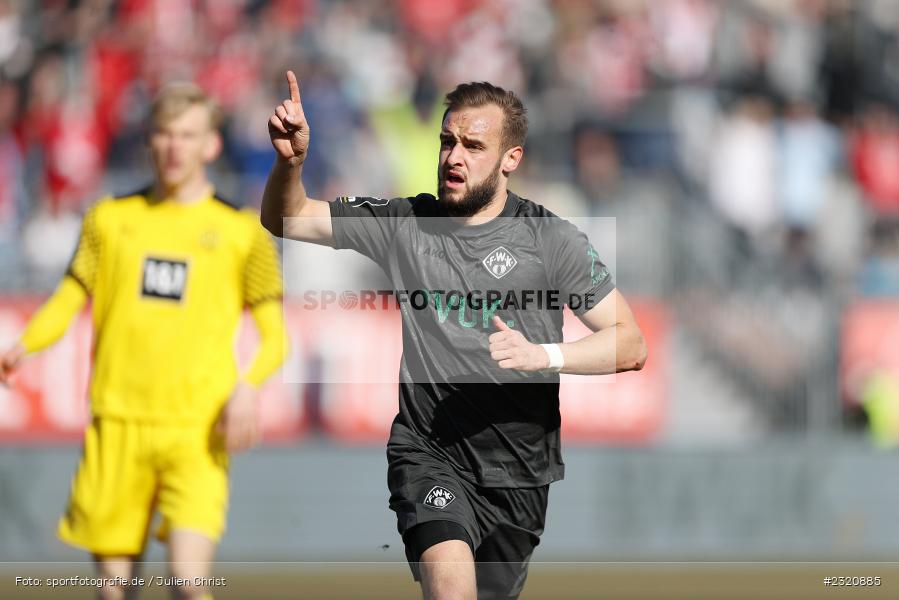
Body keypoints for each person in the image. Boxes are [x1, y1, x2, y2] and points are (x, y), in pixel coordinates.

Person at [261, 71, 646, 600]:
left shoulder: (551, 240)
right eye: (447, 141)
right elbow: (289, 217)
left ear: (511, 158)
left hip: (519, 473)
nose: (453, 157)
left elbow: (631, 344)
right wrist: (291, 163)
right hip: (429, 453)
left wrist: (545, 354)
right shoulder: (406, 222)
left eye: (472, 145)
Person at [0, 83, 287, 600]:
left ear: (211, 146)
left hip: (198, 430)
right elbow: (68, 298)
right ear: (149, 142)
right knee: (114, 592)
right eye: (164, 134)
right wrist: (21, 345)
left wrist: (248, 387)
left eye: (188, 135)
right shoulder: (110, 221)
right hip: (118, 422)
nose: (175, 147)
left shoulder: (242, 233)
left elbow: (275, 338)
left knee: (188, 583)